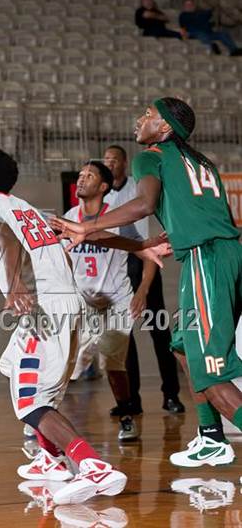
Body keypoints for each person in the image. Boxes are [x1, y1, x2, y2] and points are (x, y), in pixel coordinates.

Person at [0, 147, 169, 504]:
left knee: (29, 403)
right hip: (70, 305)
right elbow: (85, 234)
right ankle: (52, 459)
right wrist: (140, 247)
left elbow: (6, 242)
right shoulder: (27, 209)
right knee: (15, 368)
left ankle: (91, 465)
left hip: (45, 309)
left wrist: (14, 286)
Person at [51, 97, 242, 468]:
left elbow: (145, 204)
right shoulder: (201, 161)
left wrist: (88, 226)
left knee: (211, 373)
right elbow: (206, 211)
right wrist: (179, 233)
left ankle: (218, 434)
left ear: (166, 128)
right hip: (222, 253)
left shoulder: (150, 156)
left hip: (207, 260)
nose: (140, 120)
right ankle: (211, 437)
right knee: (183, 347)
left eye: (149, 115)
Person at [63, 160, 158, 442]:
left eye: (89, 176)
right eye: (80, 175)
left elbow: (147, 253)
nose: (81, 179)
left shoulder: (118, 220)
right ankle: (43, 421)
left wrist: (142, 291)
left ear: (103, 187)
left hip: (117, 301)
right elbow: (65, 259)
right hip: (86, 302)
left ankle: (127, 416)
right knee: (67, 364)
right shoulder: (69, 216)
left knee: (113, 365)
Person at [103, 144, 185, 415]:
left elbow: (145, 247)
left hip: (144, 260)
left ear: (125, 163)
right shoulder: (101, 199)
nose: (110, 163)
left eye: (114, 159)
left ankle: (171, 394)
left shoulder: (138, 189)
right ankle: (131, 401)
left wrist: (144, 287)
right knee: (124, 338)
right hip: (118, 267)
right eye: (106, 160)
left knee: (159, 332)